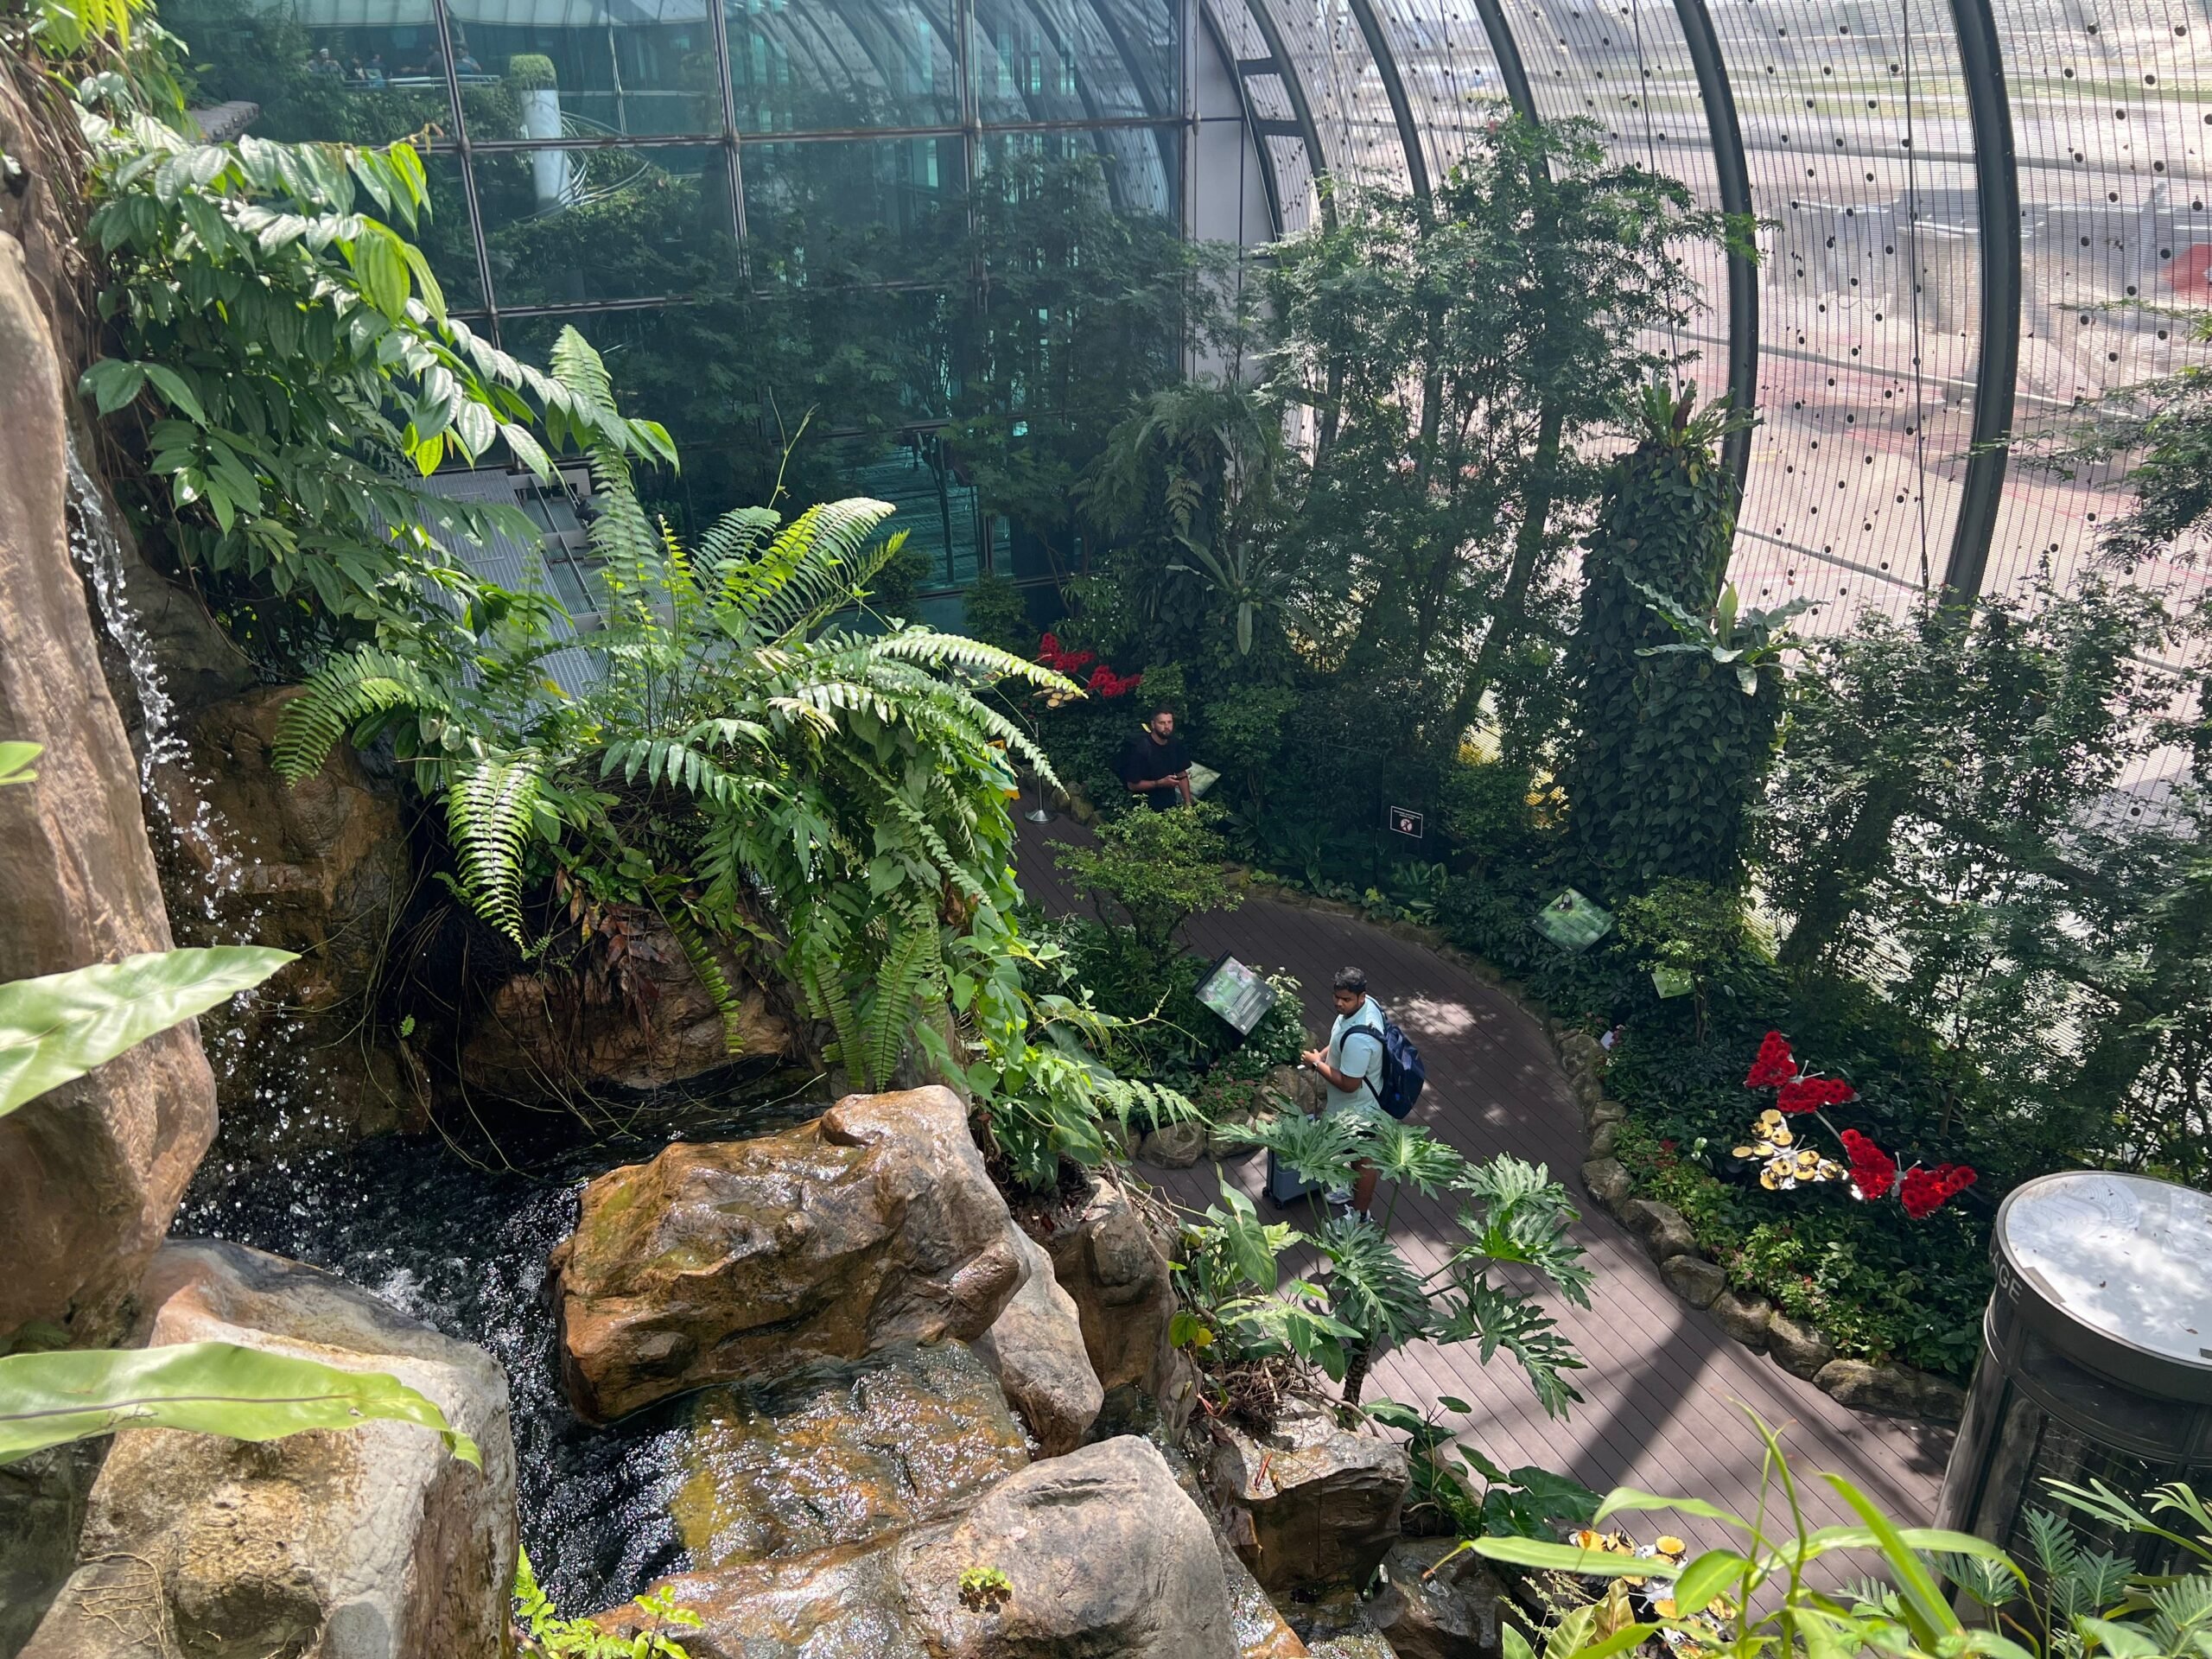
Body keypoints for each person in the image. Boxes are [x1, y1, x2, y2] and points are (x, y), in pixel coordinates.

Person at [1300, 966, 1386, 1216]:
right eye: (1336, 997)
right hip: (1348, 1107)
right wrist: (1322, 1055)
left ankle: (1360, 1217)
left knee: (1363, 1161)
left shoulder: (1361, 1040)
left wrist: (1317, 1065)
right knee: (1349, 1151)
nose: (1339, 1003)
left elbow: (1350, 1083)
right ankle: (1349, 1188)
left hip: (1361, 1110)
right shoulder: (1365, 1005)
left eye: (1346, 999)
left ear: (1362, 996)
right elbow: (1339, 1038)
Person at [1117, 703, 1191, 811]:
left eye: (1169, 722)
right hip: (1144, 807)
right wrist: (1159, 783)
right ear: (1153, 724)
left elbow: (1182, 774)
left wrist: (1188, 804)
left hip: (1170, 804)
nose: (1167, 727)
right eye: (1162, 723)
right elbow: (1132, 785)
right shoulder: (1141, 749)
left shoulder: (1175, 744)